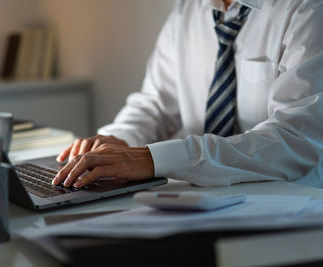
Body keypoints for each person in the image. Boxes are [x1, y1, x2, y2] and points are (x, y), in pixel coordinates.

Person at [52, 0, 323, 189]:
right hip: (208, 199)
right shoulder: (188, 8)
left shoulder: (309, 8)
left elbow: (294, 140)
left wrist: (154, 158)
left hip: (293, 204)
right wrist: (119, 139)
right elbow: (156, 103)